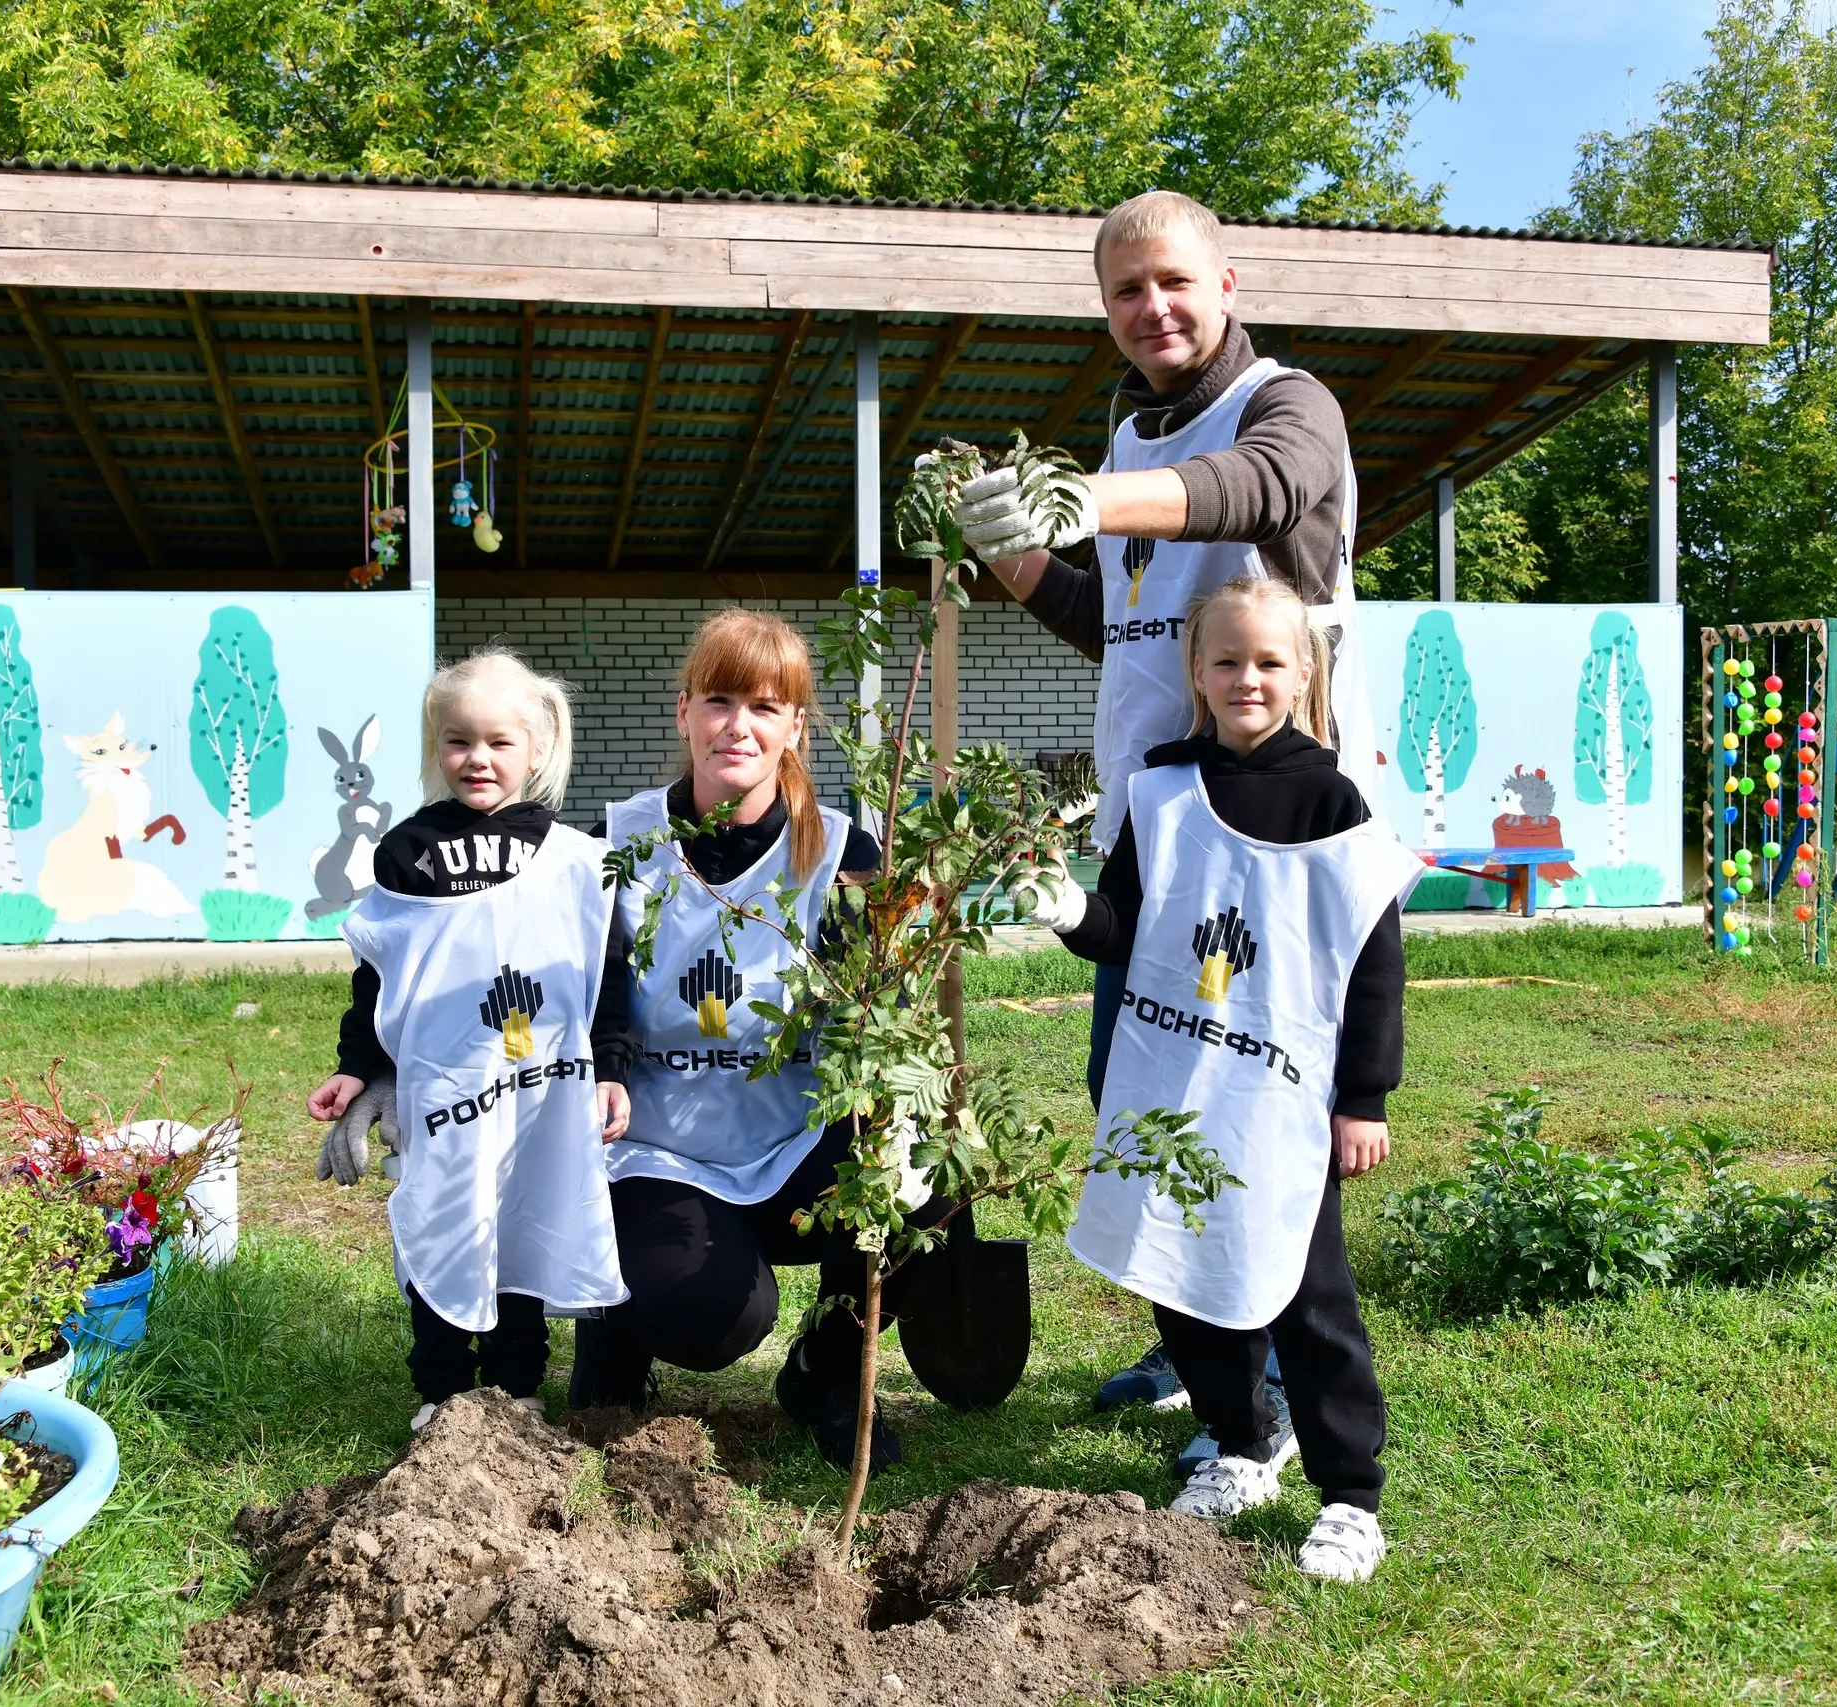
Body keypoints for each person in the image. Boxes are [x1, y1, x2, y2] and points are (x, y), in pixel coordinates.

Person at [957, 185, 1407, 1418]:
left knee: (1250, 1108)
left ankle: (1266, 1364)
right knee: (1143, 1098)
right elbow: (1126, 628)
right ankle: (1199, 1348)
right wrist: (1013, 551)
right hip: (1156, 834)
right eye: (1124, 290)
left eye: (1173, 281)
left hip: (1275, 837)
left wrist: (1084, 503)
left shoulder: (1288, 405)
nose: (1151, 306)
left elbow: (1257, 491)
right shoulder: (1125, 442)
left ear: (1226, 286)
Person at [1017, 574, 1406, 1583]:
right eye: (1226, 660)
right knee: (1181, 1275)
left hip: (1281, 1097)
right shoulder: (1161, 786)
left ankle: (1350, 1497)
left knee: (1306, 1295)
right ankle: (1240, 1447)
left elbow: (1369, 959)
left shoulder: (1330, 798)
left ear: (1303, 673)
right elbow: (1125, 929)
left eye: (1269, 662)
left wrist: (1361, 1098)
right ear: (1195, 671)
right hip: (1173, 1089)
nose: (1247, 678)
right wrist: (1065, 909)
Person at [572, 608, 938, 1472]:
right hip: (660, 1147)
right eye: (721, 700)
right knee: (718, 1319)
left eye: (767, 707)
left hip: (794, 1140)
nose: (740, 725)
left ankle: (831, 1369)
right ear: (685, 711)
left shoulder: (845, 853)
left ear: (796, 726)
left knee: (930, 1197)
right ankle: (615, 1329)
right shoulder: (618, 844)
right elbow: (587, 993)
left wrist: (900, 1117)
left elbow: (879, 1014)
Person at [309, 649, 633, 1431]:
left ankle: (519, 1385)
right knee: (445, 1220)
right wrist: (361, 1068)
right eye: (458, 741)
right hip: (445, 1092)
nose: (477, 758)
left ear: (537, 748)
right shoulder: (407, 854)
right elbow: (381, 975)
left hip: (539, 1094)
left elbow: (606, 969)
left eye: (498, 741)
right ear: (436, 748)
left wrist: (610, 1066)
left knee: (521, 1220)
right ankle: (444, 1393)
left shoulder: (575, 861)